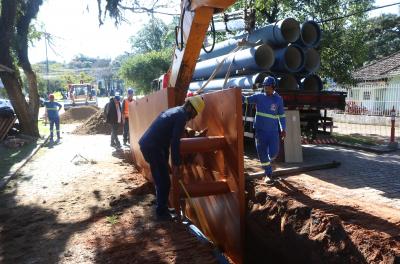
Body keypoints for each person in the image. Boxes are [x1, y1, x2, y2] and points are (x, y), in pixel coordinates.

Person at [139, 95, 205, 221]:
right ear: (191, 109)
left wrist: (169, 160)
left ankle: (162, 208)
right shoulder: (181, 116)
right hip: (152, 147)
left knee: (161, 179)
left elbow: (167, 140)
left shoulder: (176, 111)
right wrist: (176, 164)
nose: (195, 117)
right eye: (195, 113)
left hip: (152, 145)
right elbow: (175, 141)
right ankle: (161, 213)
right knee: (164, 181)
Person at [242, 76, 286, 184]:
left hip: (273, 132)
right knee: (261, 152)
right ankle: (268, 173)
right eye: (265, 86)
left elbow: (281, 116)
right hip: (260, 131)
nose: (266, 88)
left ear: (273, 87)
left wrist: (283, 128)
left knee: (274, 152)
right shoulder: (259, 97)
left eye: (268, 86)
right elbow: (246, 100)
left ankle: (269, 164)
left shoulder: (278, 100)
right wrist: (238, 93)